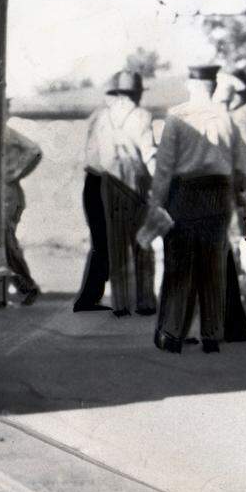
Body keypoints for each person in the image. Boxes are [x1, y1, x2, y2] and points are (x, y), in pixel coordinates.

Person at [150, 65, 246, 354]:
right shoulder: (226, 117)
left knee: (180, 263)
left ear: (191, 83)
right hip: (218, 193)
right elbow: (241, 164)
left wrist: (158, 201)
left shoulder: (177, 116)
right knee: (213, 262)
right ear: (213, 84)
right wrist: (239, 195)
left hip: (184, 192)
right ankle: (211, 335)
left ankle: (172, 333)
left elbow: (165, 166)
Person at [83, 70, 158, 317]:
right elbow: (148, 152)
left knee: (114, 244)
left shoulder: (101, 117)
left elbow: (92, 155)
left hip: (105, 182)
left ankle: (121, 302)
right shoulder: (142, 116)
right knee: (141, 243)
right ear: (136, 93)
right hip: (133, 184)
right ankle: (145, 301)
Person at [215, 69, 246, 343]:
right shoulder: (237, 116)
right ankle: (230, 324)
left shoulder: (240, 114)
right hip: (226, 191)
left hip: (220, 191)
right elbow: (242, 158)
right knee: (226, 256)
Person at [3, 117, 43, 306]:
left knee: (5, 240)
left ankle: (26, 285)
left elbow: (33, 150)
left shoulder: (3, 131)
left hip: (6, 195)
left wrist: (12, 171)